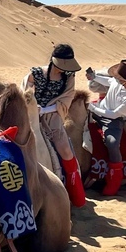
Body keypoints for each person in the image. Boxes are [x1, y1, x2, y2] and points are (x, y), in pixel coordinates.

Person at [23, 44, 87, 207]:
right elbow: (26, 95)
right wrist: (33, 106)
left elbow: (67, 98)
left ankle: (76, 194)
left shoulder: (69, 77)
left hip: (53, 117)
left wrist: (45, 109)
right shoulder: (34, 74)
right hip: (31, 115)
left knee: (65, 149)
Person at [84, 59, 126, 196]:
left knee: (112, 143)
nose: (116, 79)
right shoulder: (118, 81)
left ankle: (115, 178)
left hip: (113, 120)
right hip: (99, 108)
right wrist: (94, 77)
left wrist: (93, 108)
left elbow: (114, 114)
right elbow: (109, 82)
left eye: (119, 77)